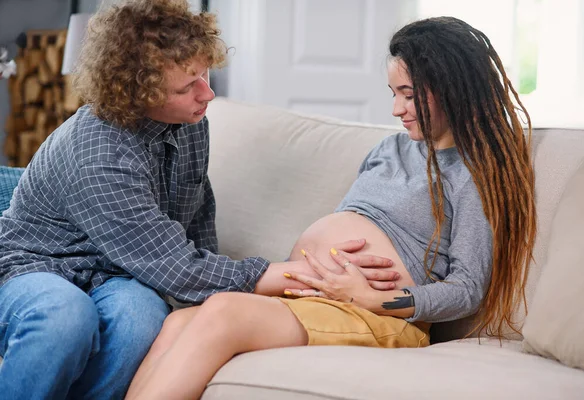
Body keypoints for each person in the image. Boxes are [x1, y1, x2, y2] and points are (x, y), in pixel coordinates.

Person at [124, 16, 538, 399]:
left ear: (451, 88)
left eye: (408, 96)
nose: (396, 109)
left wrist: (378, 299)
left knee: (224, 310)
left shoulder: (473, 173)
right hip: (319, 300)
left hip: (381, 318)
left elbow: (467, 288)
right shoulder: (389, 149)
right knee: (180, 320)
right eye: (393, 94)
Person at [0, 1, 398, 399]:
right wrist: (312, 274)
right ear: (138, 92)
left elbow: (196, 216)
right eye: (186, 87)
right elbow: (178, 267)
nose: (207, 93)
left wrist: (211, 298)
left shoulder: (190, 125)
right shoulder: (100, 153)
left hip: (119, 274)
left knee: (142, 316)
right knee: (67, 317)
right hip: (37, 267)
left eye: (204, 73)